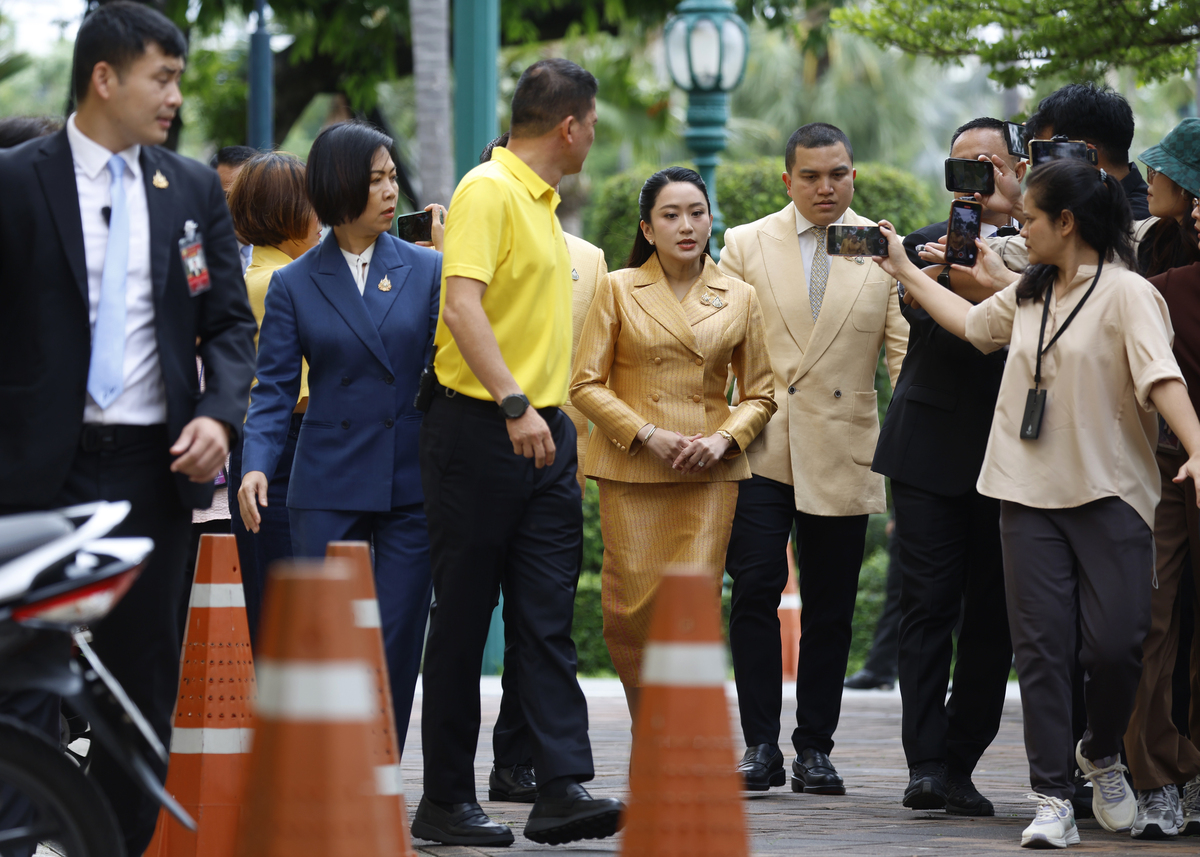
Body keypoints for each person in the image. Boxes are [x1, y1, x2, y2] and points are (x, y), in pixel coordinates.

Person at [875, 157, 1200, 850]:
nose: (1015, 228)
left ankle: (1101, 750)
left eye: (1027, 218)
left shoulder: (1129, 295)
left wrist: (1198, 445)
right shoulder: (1029, 292)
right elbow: (968, 323)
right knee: (1043, 650)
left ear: (1066, 222)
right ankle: (1051, 795)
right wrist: (904, 270)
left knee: (1117, 645)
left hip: (1110, 491)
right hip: (1023, 494)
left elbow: (1161, 376)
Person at [0, 4, 256, 854]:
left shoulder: (186, 190)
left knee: (141, 686)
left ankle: (105, 844)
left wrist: (219, 413)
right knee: (20, 678)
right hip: (38, 470)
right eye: (163, 76)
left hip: (153, 467)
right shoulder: (15, 182)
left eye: (179, 78)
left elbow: (227, 322)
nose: (175, 95)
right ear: (104, 79)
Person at [413, 58, 623, 848]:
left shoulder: (541, 205)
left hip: (545, 431)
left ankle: (560, 784)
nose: (594, 135)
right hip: (479, 426)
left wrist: (544, 417)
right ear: (568, 126)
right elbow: (460, 306)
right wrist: (511, 404)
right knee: (464, 620)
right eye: (593, 123)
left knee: (545, 618)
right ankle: (443, 798)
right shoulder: (486, 190)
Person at [719, 122, 908, 793]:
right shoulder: (743, 243)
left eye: (839, 174)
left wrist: (915, 463)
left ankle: (815, 748)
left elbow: (901, 358)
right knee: (755, 592)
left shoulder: (885, 250)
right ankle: (760, 745)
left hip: (846, 446)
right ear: (786, 179)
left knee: (831, 605)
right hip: (762, 440)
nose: (826, 188)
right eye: (811, 176)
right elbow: (721, 343)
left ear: (854, 174)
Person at [238, 122, 439, 753]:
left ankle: (379, 770)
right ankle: (324, 775)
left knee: (399, 633)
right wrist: (256, 465)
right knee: (324, 636)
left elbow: (449, 371)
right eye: (375, 178)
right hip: (325, 476)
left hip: (410, 476)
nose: (389, 191)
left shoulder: (430, 269)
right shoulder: (294, 283)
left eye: (391, 177)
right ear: (339, 185)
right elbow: (272, 388)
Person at [570, 166, 776, 716]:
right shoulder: (616, 288)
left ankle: (683, 733)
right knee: (629, 609)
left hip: (706, 475)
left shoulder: (739, 296)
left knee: (694, 606)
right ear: (647, 227)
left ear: (711, 221)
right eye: (670, 215)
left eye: (696, 212)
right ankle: (649, 730)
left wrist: (725, 439)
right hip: (633, 469)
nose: (686, 225)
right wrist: (645, 433)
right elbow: (585, 384)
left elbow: (761, 394)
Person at [872, 117, 1017, 816]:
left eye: (991, 160)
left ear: (1016, 168)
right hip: (929, 449)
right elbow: (931, 322)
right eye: (966, 161)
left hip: (1016, 457)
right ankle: (926, 763)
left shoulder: (1049, 245)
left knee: (996, 616)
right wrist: (943, 262)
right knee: (926, 606)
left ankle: (961, 759)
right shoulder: (927, 243)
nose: (979, 171)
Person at [474, 131, 610, 805]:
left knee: (543, 618)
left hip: (558, 452)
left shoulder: (587, 257)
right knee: (468, 617)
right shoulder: (466, 236)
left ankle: (531, 765)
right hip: (475, 441)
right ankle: (446, 782)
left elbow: (593, 362)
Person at [1122, 117, 1200, 839]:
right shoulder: (1157, 264)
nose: (1154, 181)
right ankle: (1155, 777)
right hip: (1167, 460)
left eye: (1168, 170)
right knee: (1155, 616)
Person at [223, 151, 321, 647]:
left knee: (279, 612)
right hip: (282, 451)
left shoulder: (260, 278)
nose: (322, 216)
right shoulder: (280, 282)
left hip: (268, 450)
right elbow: (296, 396)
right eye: (313, 203)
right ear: (287, 213)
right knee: (288, 616)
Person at [1025, 83, 1149, 219]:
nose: (1034, 168)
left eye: (1045, 155)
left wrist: (1015, 205)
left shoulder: (1139, 221)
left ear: (1087, 156)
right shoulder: (1081, 203)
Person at [210, 144, 258, 271]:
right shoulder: (198, 253)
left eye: (245, 195)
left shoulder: (290, 248)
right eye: (226, 197)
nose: (236, 206)